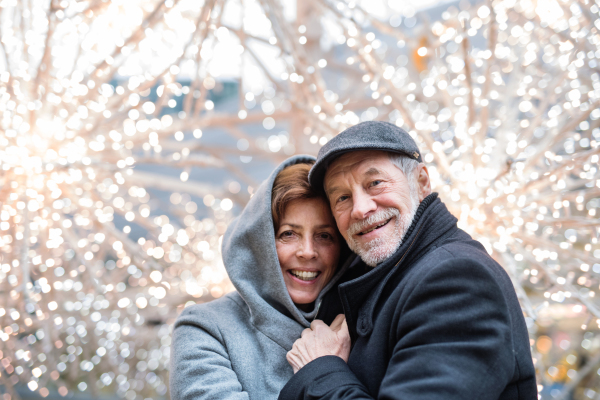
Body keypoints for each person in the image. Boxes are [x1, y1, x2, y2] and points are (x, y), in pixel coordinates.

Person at [279, 121, 537, 400]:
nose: (361, 208)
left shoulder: (457, 279)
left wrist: (321, 370)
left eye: (375, 183)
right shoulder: (381, 277)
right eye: (343, 197)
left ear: (421, 181)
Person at [170, 155, 353, 400]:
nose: (308, 251)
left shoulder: (361, 319)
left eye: (324, 235)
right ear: (260, 242)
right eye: (288, 234)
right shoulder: (206, 328)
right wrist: (323, 373)